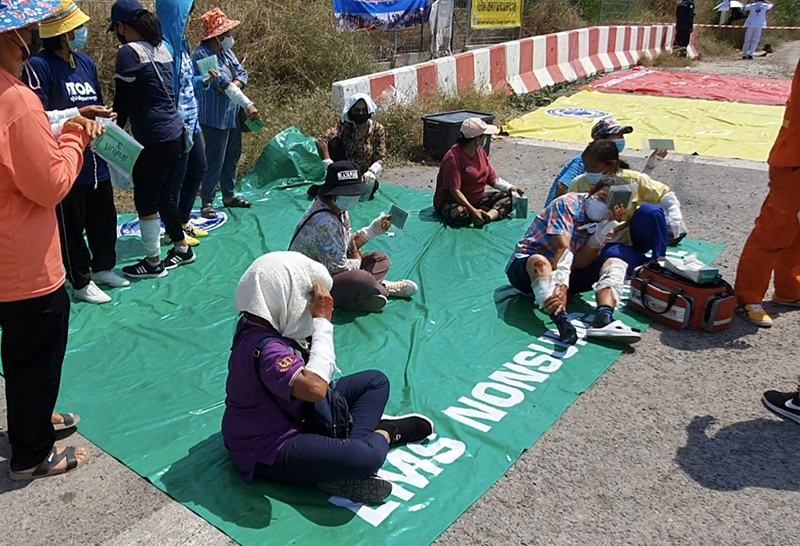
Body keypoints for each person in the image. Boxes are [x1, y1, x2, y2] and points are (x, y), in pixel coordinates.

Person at [223, 251, 434, 504]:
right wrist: (322, 321)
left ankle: (340, 463)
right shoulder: (268, 348)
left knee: (375, 381)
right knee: (366, 458)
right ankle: (386, 432)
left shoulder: (258, 320)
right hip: (269, 447)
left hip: (296, 414)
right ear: (284, 294)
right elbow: (316, 389)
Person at [0, 0, 104, 480]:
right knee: (34, 356)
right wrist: (76, 140)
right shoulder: (15, 99)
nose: (29, 41)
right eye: (21, 32)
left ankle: (32, 420)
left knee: (20, 354)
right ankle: (31, 454)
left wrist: (61, 123)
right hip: (24, 263)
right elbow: (49, 185)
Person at [25, 0, 128, 305]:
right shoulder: (40, 66)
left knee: (104, 217)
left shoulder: (85, 63)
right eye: (76, 28)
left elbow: (93, 101)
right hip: (68, 157)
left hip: (96, 155)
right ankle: (80, 280)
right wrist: (79, 112)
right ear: (63, 33)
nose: (82, 32)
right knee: (72, 223)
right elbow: (39, 113)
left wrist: (100, 115)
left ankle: (103, 267)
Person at [110, 0, 196, 278]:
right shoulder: (163, 49)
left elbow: (122, 102)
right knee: (166, 198)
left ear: (122, 27)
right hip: (176, 133)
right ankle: (182, 249)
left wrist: (113, 137)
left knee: (146, 201)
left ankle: (152, 262)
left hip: (154, 138)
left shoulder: (129, 53)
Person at [506, 181, 640, 345]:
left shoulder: (607, 221)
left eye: (609, 203)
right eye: (601, 197)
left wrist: (601, 232)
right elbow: (562, 247)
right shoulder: (567, 203)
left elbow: (580, 263)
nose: (603, 206)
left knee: (616, 263)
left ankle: (603, 318)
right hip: (527, 270)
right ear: (591, 191)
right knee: (540, 262)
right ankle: (561, 321)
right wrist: (561, 284)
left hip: (566, 271)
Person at [289, 161, 418, 313]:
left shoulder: (338, 209)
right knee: (361, 279)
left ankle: (370, 290)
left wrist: (372, 231)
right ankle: (378, 289)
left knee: (381, 259)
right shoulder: (325, 222)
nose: (355, 197)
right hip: (312, 284)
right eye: (350, 193)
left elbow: (349, 244)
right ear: (334, 194)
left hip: (332, 270)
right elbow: (341, 268)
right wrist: (357, 258)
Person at [734, 59, 800, 328]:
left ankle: (789, 291)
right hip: (794, 159)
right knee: (774, 230)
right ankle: (748, 298)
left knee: (793, 231)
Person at [566, 140, 687, 275]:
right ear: (592, 190)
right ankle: (643, 266)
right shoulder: (579, 183)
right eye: (586, 166)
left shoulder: (633, 179)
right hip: (598, 241)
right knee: (612, 259)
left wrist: (675, 219)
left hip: (629, 237)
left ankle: (658, 260)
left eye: (593, 167)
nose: (589, 171)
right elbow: (568, 210)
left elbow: (664, 193)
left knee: (652, 211)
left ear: (611, 165)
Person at [192, 7, 258, 219]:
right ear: (217, 36)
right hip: (214, 117)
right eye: (226, 34)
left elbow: (241, 74)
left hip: (231, 114)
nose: (230, 38)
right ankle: (208, 200)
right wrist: (245, 100)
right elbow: (221, 83)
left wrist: (236, 84)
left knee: (232, 155)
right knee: (215, 158)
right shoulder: (202, 55)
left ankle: (228, 194)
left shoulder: (226, 52)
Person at [157, 0, 208, 244]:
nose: (190, 16)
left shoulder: (183, 44)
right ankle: (172, 231)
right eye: (186, 12)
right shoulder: (166, 47)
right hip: (178, 123)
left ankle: (183, 220)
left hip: (192, 119)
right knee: (175, 179)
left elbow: (186, 83)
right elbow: (168, 89)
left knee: (199, 167)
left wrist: (202, 81)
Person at [544, 117, 667, 208]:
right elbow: (562, 187)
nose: (620, 139)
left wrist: (650, 167)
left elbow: (631, 186)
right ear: (600, 140)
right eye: (616, 135)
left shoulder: (609, 162)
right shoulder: (585, 161)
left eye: (621, 135)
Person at [433, 117, 524, 228]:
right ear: (477, 139)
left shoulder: (481, 153)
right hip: (454, 201)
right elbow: (454, 191)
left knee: (510, 198)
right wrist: (472, 210)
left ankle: (486, 217)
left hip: (478, 199)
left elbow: (493, 179)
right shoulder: (452, 158)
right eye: (484, 136)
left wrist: (511, 188)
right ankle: (478, 214)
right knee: (459, 214)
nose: (486, 139)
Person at [313, 93, 386, 199]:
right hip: (346, 173)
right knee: (335, 142)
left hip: (363, 176)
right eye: (356, 110)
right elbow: (321, 140)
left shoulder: (377, 129)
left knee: (372, 186)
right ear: (351, 112)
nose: (361, 113)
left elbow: (381, 157)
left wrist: (372, 171)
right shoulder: (345, 126)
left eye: (364, 110)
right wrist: (327, 161)